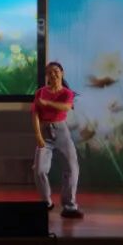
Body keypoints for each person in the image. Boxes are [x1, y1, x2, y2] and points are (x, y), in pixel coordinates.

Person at [31, 61, 83, 218]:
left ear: (62, 73)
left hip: (61, 131)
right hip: (45, 131)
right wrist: (38, 135)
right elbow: (35, 114)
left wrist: (47, 103)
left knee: (71, 168)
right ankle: (46, 202)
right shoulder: (40, 92)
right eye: (49, 72)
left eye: (56, 71)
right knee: (39, 170)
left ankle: (70, 206)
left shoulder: (67, 93)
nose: (53, 74)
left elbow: (66, 107)